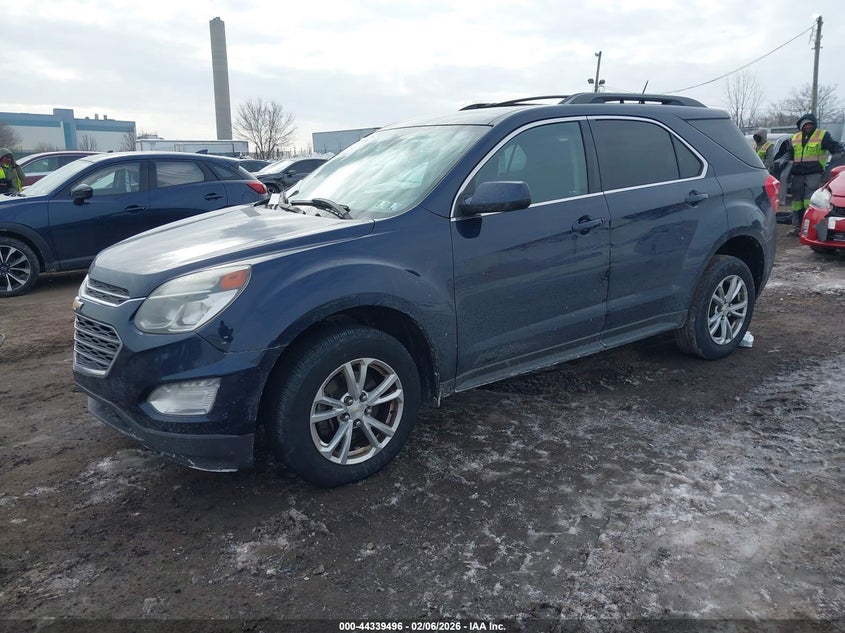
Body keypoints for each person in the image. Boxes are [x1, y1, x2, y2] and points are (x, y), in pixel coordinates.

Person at [784, 114, 845, 235]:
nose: (807, 126)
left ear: (814, 124)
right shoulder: (795, 137)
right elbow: (790, 154)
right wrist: (784, 162)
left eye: (810, 124)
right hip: (798, 174)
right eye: (805, 124)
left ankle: (810, 227)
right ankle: (797, 227)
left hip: (814, 173)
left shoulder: (822, 135)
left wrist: (839, 157)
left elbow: (835, 148)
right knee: (797, 201)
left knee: (811, 201)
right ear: (801, 125)